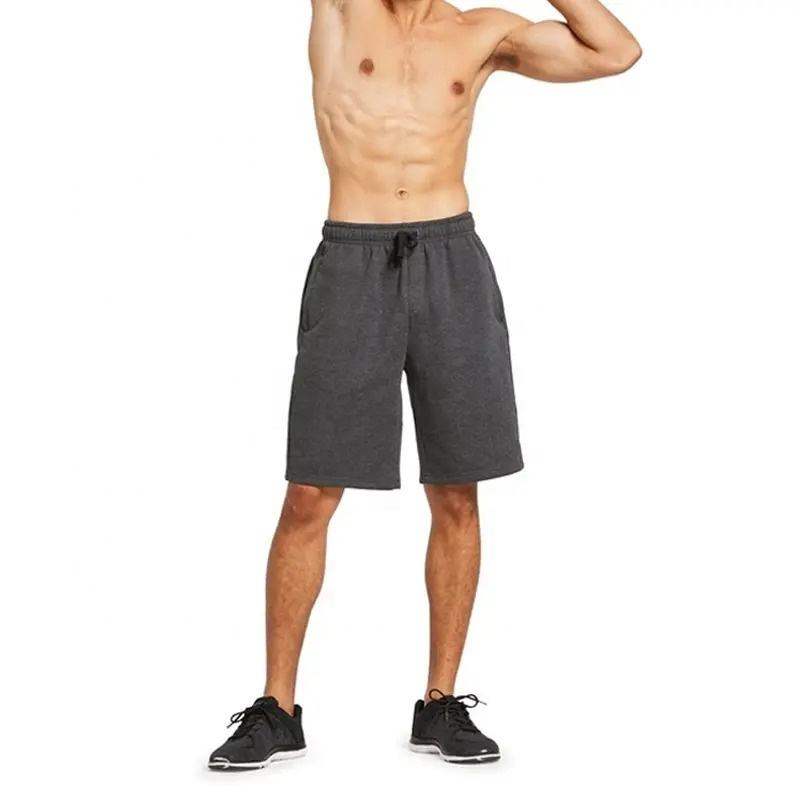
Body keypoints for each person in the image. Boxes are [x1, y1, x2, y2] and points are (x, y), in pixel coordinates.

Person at [208, 0, 640, 769]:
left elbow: (616, 52)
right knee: (309, 493)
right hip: (351, 262)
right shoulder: (340, 11)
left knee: (457, 490)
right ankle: (277, 708)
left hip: (453, 261)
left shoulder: (481, 33)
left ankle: (440, 704)